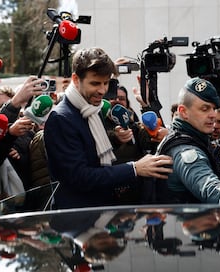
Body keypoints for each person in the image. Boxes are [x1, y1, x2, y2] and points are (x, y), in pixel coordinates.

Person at [43, 47, 173, 209]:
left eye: (106, 83)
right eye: (95, 83)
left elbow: (93, 155)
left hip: (102, 215)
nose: (102, 90)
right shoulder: (61, 119)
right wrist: (134, 169)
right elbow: (79, 177)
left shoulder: (92, 109)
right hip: (76, 220)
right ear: (76, 80)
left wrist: (116, 140)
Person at [154, 77, 220, 205]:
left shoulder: (192, 138)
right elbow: (211, 190)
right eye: (205, 109)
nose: (213, 115)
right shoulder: (186, 151)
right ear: (184, 112)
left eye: (214, 108)